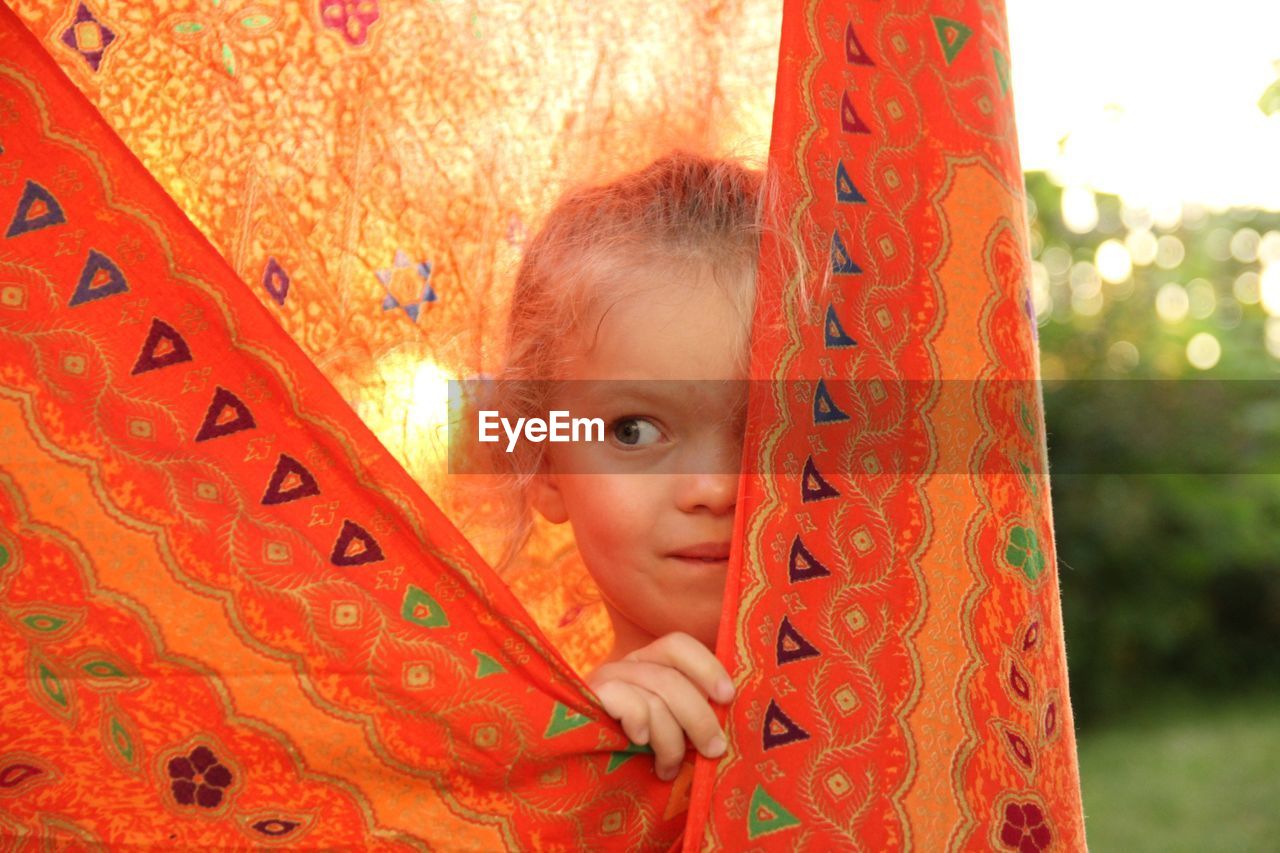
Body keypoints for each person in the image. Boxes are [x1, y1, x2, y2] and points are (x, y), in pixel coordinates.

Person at [468, 151, 818, 782]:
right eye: (632, 430)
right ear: (543, 464)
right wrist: (590, 785)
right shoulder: (532, 779)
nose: (713, 489)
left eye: (765, 427)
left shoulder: (927, 701)